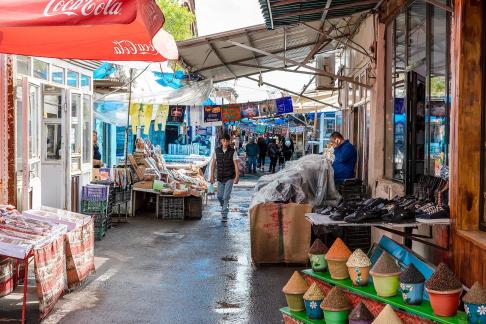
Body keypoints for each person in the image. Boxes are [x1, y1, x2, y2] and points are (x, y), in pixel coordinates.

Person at [210, 133, 240, 222]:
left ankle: (224, 213)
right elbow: (213, 164)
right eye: (224, 141)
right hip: (220, 176)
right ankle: (225, 205)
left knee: (226, 196)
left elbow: (236, 165)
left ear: (229, 141)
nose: (225, 143)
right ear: (221, 141)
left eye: (227, 141)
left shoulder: (232, 151)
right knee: (219, 196)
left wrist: (237, 176)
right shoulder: (217, 151)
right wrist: (212, 175)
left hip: (229, 177)